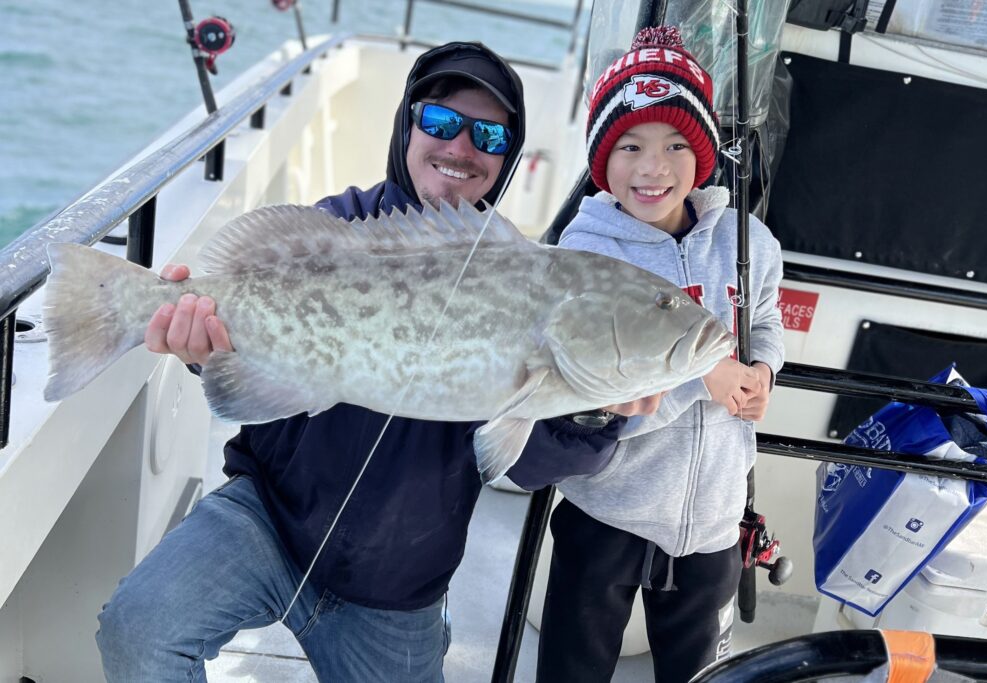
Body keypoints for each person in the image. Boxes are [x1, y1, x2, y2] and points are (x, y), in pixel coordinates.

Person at [95, 41, 640, 682]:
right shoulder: (335, 228)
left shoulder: (524, 274)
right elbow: (246, 363)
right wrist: (201, 346)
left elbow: (532, 460)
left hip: (396, 583)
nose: (460, 147)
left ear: (508, 156)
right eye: (439, 121)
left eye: (489, 134)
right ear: (406, 125)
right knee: (138, 632)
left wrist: (597, 413)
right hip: (267, 517)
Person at [534, 27, 785, 683]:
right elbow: (589, 392)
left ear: (702, 156)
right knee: (573, 664)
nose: (654, 167)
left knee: (701, 671)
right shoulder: (582, 258)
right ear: (601, 158)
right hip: (607, 506)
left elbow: (762, 318)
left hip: (714, 520)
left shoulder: (746, 238)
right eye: (630, 145)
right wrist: (703, 378)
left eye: (677, 144)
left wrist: (762, 370)